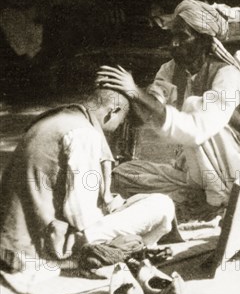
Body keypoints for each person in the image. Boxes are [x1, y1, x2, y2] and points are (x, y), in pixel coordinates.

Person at [98, 0, 240, 211]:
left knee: (193, 106)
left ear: (204, 41)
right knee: (122, 174)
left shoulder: (229, 75)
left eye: (183, 37)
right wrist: (125, 94)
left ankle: (219, 199)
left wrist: (136, 91)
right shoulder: (170, 70)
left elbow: (198, 128)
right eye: (173, 36)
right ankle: (196, 192)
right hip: (194, 169)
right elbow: (150, 109)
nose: (174, 43)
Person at [0, 88, 176, 274]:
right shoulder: (84, 134)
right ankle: (112, 253)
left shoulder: (58, 119)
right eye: (122, 121)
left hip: (14, 237)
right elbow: (80, 213)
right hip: (44, 244)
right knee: (162, 205)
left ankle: (126, 248)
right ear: (112, 111)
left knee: (136, 206)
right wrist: (113, 215)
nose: (118, 127)